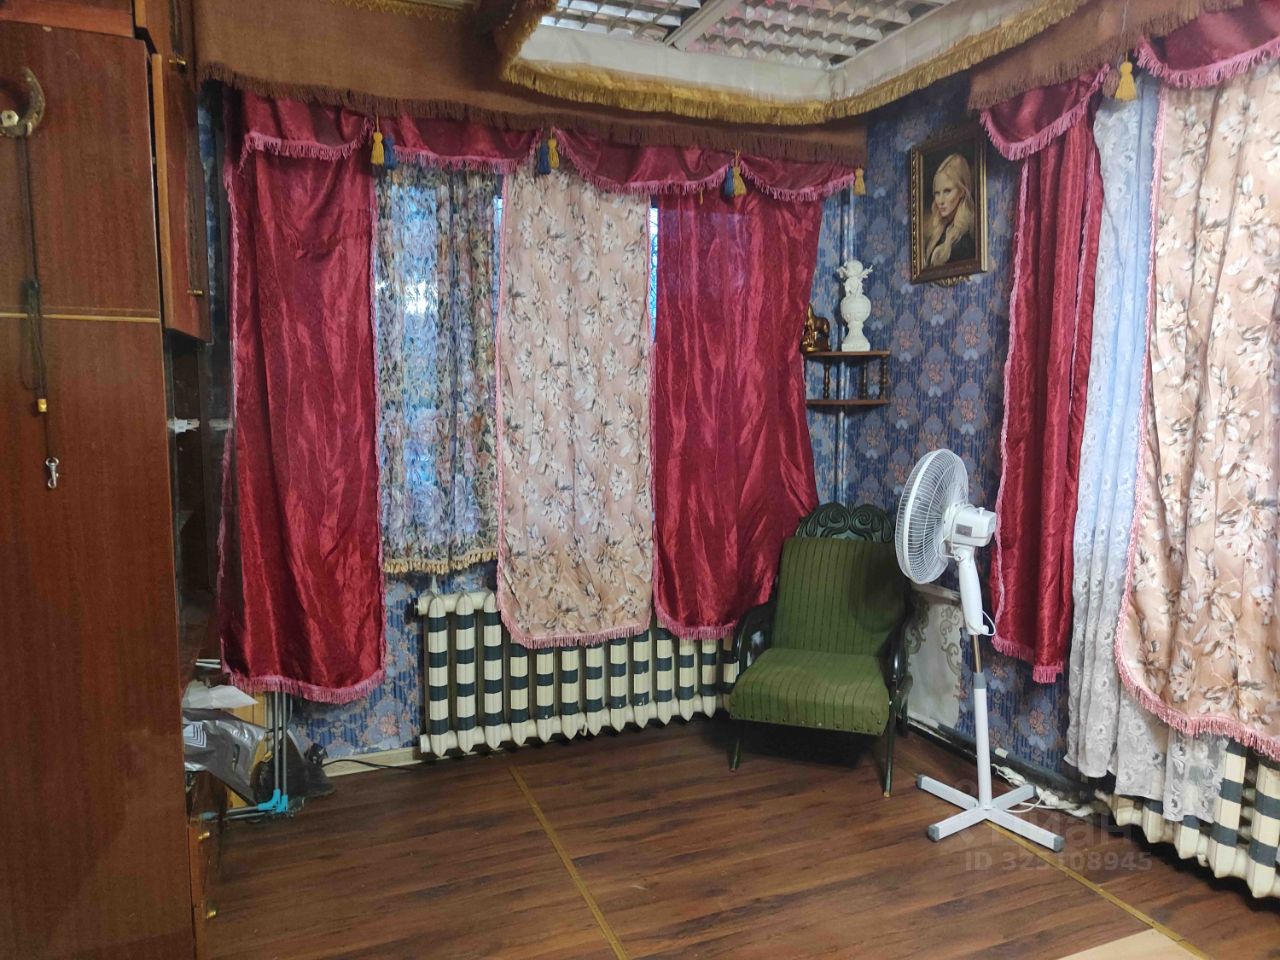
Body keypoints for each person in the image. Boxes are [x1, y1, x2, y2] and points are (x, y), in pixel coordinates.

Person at [923, 152, 975, 267]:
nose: (940, 201)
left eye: (947, 191)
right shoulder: (941, 230)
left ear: (961, 191)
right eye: (937, 193)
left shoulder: (965, 239)